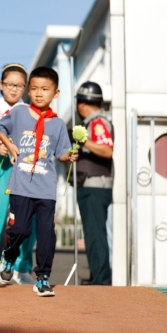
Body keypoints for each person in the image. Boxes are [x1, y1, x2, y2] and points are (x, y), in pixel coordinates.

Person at [0, 66, 78, 297]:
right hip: (21, 184)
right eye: (34, 89)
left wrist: (69, 156)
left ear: (56, 93)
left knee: (46, 234)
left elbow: (61, 153)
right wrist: (10, 145)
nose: (39, 93)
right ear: (28, 91)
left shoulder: (58, 124)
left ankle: (42, 277)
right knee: (19, 229)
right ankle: (9, 256)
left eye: (45, 89)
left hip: (46, 188)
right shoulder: (20, 113)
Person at [0, 64, 36, 284]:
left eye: (19, 86)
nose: (14, 89)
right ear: (1, 85)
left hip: (25, 168)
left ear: (25, 88)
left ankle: (22, 268)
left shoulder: (30, 112)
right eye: (10, 84)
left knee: (28, 219)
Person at [75, 81, 113, 286]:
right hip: (91, 186)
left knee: (95, 235)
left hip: (94, 186)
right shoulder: (95, 122)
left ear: (82, 104)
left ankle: (101, 281)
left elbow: (107, 150)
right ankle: (98, 278)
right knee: (93, 234)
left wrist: (83, 142)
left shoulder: (97, 123)